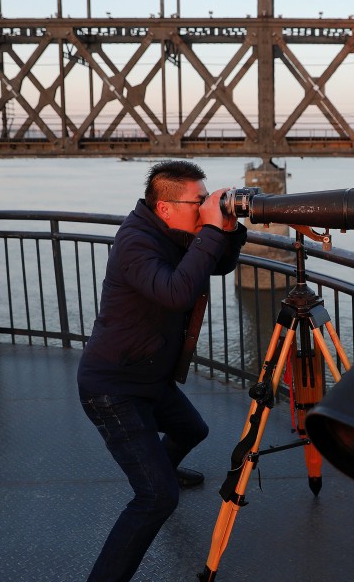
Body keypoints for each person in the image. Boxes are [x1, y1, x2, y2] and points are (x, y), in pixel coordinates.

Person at [77, 160, 247, 581]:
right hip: (113, 387)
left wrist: (229, 226)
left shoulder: (171, 230)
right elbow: (176, 292)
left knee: (193, 430)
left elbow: (218, 264)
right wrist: (210, 231)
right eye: (199, 202)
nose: (205, 207)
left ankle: (162, 465)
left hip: (150, 376)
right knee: (155, 498)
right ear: (166, 206)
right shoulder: (135, 243)